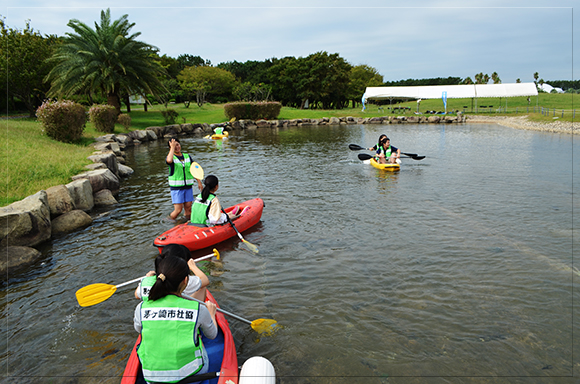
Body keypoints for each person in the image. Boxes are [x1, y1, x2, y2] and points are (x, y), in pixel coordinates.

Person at [134, 255, 217, 383]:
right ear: (185, 280)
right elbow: (212, 335)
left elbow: (138, 329)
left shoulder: (141, 307)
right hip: (192, 376)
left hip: (152, 379)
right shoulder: (197, 308)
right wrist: (211, 314)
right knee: (200, 339)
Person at [134, 244, 210, 302]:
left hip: (158, 313)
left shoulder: (152, 280)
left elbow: (137, 295)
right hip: (178, 310)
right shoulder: (186, 281)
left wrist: (146, 279)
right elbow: (205, 280)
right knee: (202, 287)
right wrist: (193, 266)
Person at [166, 138, 203, 221]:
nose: (176, 147)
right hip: (177, 188)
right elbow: (169, 160)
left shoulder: (187, 157)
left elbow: (194, 169)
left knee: (188, 209)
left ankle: (186, 223)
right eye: (174, 146)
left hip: (188, 187)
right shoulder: (171, 158)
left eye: (177, 144)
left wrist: (199, 182)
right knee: (178, 210)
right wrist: (172, 147)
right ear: (170, 148)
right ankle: (168, 221)